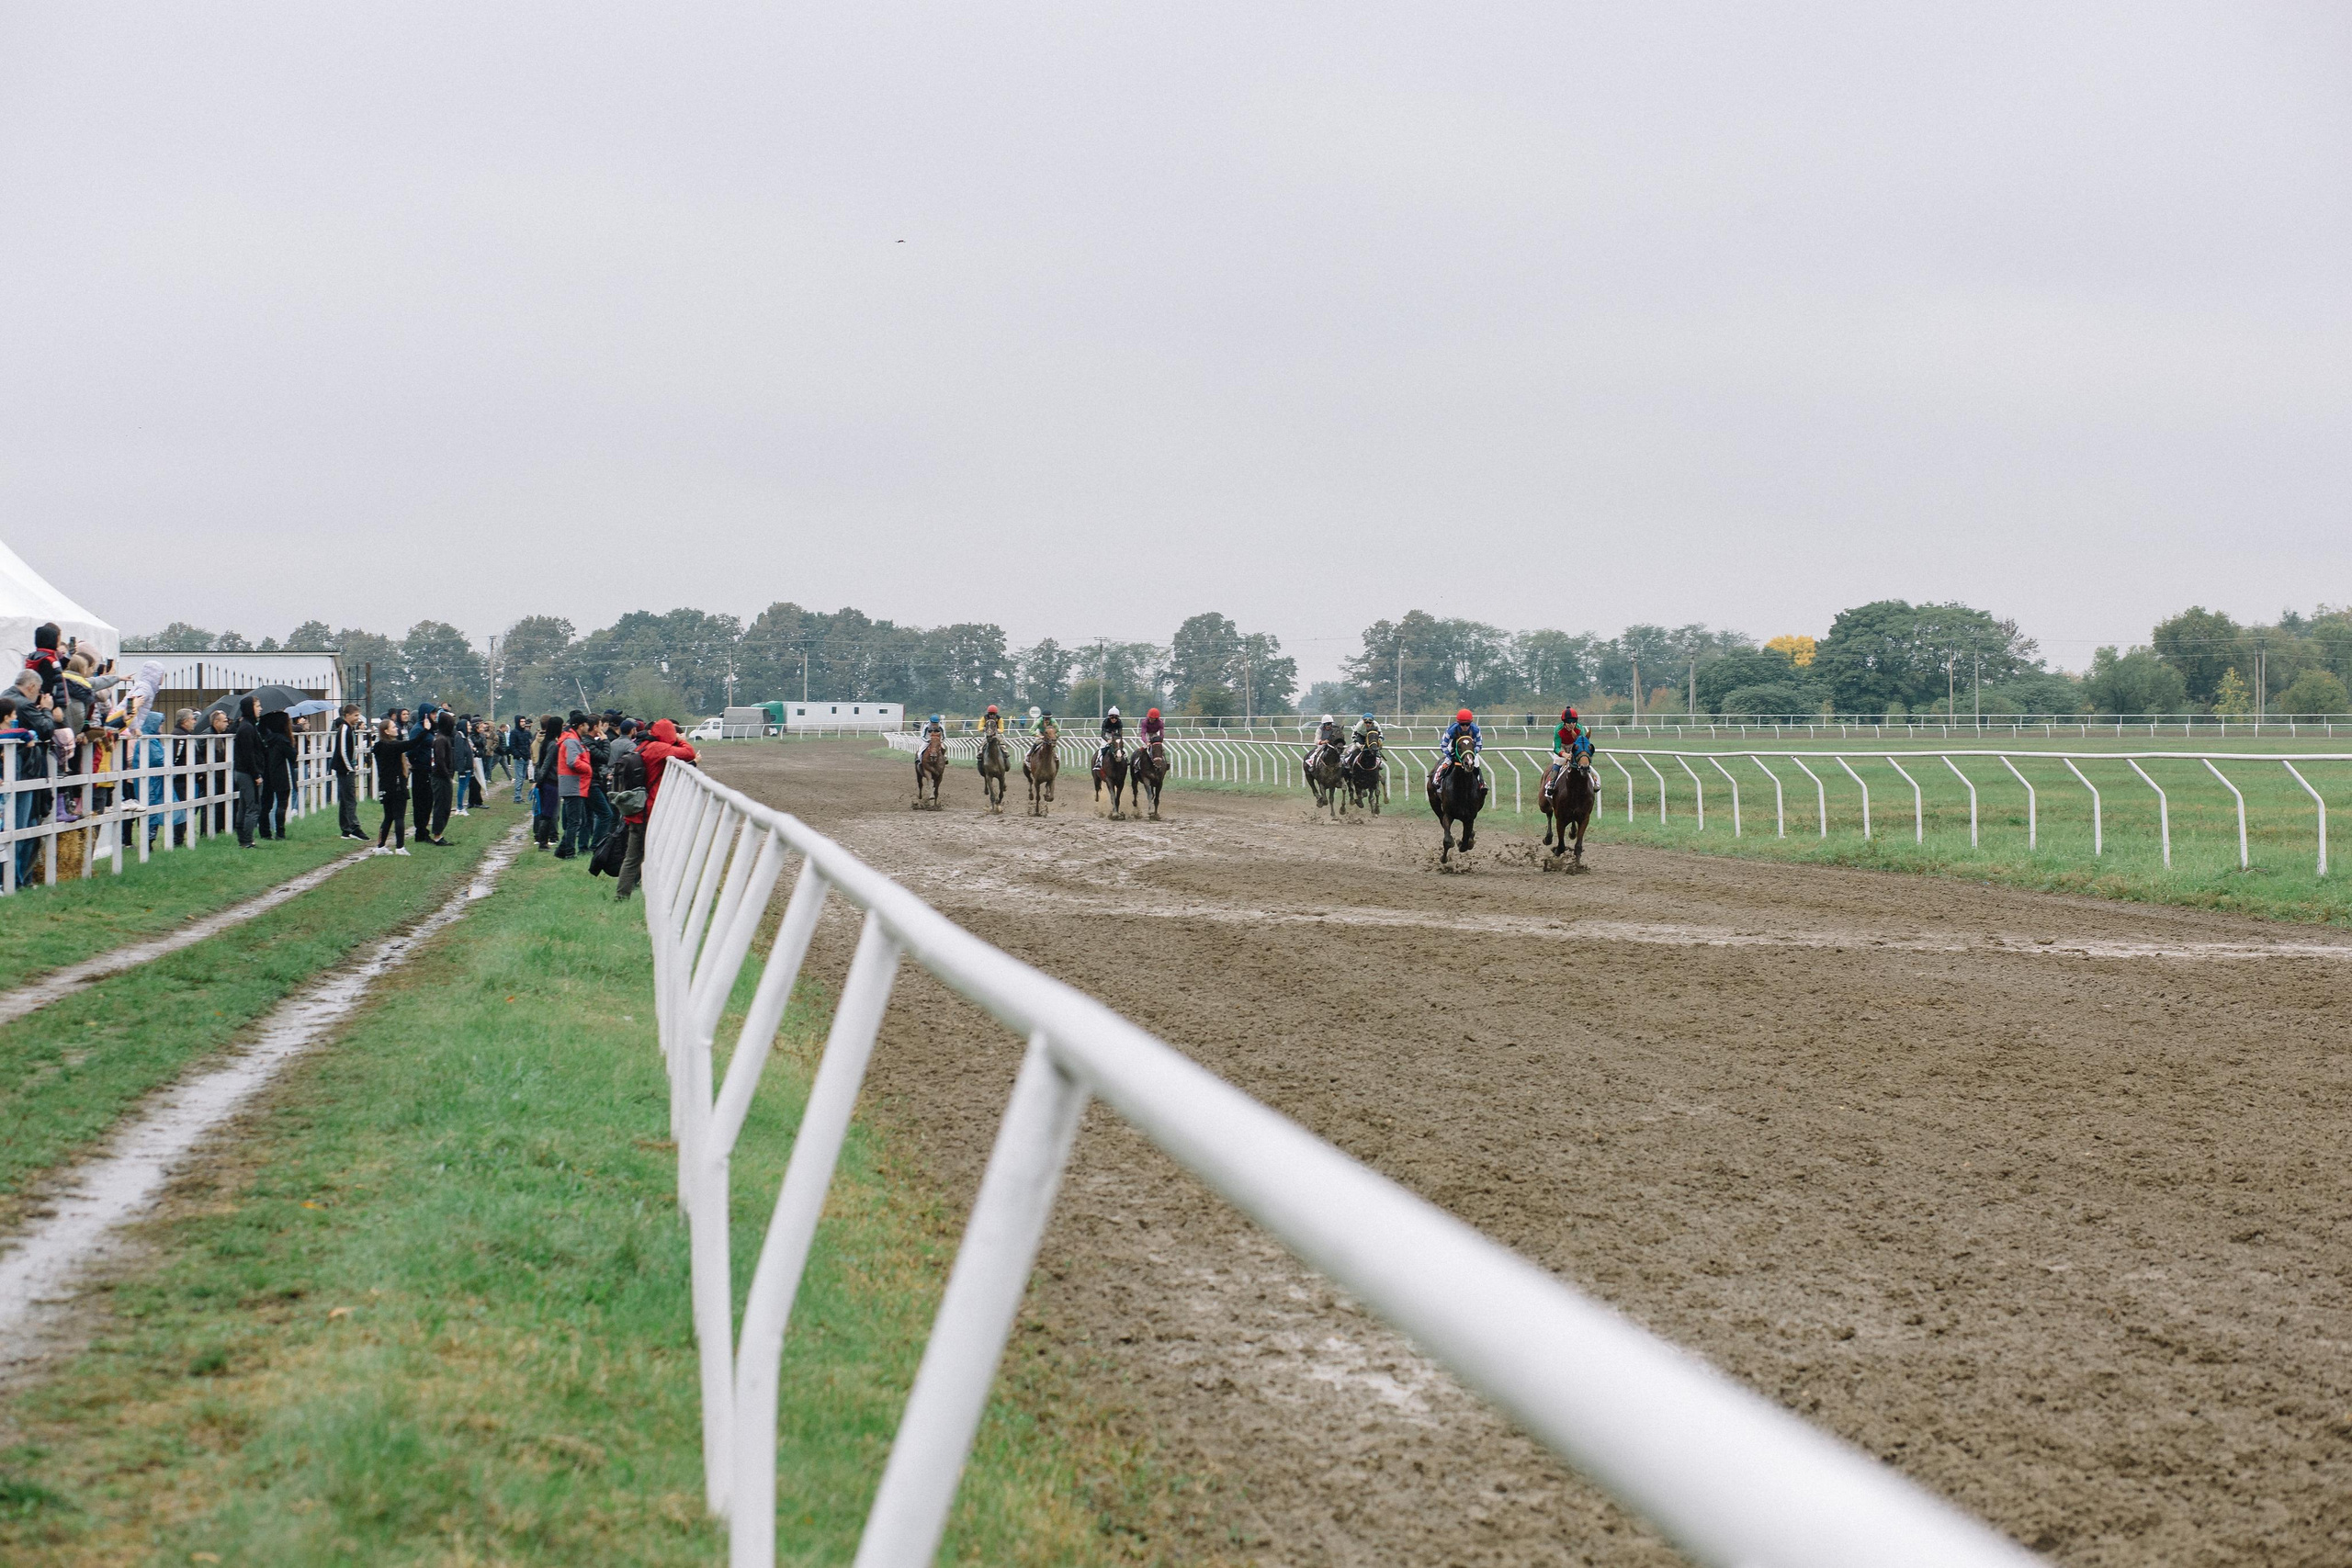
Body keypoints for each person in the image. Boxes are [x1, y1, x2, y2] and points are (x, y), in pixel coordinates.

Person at [617, 716, 697, 899]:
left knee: (632, 858)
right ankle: (662, 896)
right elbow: (689, 753)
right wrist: (680, 740)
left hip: (636, 810)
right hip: (651, 811)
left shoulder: (642, 745)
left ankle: (621, 895)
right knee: (659, 856)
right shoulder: (659, 748)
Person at [555, 711, 592, 859]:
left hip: (574, 784)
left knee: (577, 820)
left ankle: (561, 851)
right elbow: (573, 761)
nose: (588, 727)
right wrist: (588, 768)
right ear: (581, 725)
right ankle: (569, 853)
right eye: (587, 725)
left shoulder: (573, 739)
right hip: (573, 784)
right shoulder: (571, 741)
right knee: (574, 822)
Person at [371, 716, 411, 854]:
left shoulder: (379, 747)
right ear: (386, 731)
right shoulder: (392, 747)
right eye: (394, 727)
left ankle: (380, 846)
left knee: (388, 816)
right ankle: (400, 847)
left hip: (385, 786)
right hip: (397, 785)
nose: (397, 729)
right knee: (399, 816)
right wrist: (425, 730)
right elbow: (412, 743)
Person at [231, 695, 266, 848]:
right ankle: (247, 840)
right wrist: (256, 774)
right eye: (257, 706)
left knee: (244, 806)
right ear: (250, 709)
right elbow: (248, 754)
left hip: (243, 772)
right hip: (247, 773)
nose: (260, 709)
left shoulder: (247, 726)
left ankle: (243, 838)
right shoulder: (247, 728)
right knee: (252, 806)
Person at [329, 703, 367, 839]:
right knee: (351, 799)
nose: (358, 718)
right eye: (356, 715)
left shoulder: (349, 728)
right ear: (347, 715)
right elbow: (343, 751)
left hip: (346, 768)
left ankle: (345, 829)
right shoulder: (344, 729)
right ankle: (355, 828)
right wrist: (350, 768)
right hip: (345, 769)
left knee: (345, 800)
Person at [532, 715, 562, 849]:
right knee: (548, 812)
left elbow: (539, 764)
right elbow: (546, 764)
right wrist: (539, 781)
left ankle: (542, 839)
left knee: (545, 811)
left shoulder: (546, 743)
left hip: (546, 781)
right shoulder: (553, 745)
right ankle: (543, 842)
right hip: (550, 782)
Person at [1435, 706, 1481, 784]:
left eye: (1467, 724)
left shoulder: (1476, 730)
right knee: (1447, 763)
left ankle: (1481, 783)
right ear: (1458, 723)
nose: (1465, 727)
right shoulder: (1451, 730)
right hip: (1454, 747)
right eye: (1462, 724)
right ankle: (1437, 779)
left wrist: (1472, 753)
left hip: (1470, 749)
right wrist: (1450, 755)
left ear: (1471, 723)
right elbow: (1443, 745)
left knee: (1476, 764)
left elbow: (1479, 745)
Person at [449, 714, 476, 816]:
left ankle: (461, 806)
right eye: (468, 725)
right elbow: (459, 754)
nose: (470, 727)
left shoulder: (465, 737)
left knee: (464, 787)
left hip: (468, 767)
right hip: (463, 768)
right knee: (462, 787)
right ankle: (459, 808)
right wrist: (461, 769)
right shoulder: (459, 737)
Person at [508, 714, 534, 803]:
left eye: (524, 721)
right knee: (519, 778)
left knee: (522, 778)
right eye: (521, 721)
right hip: (519, 758)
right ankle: (517, 797)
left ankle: (519, 796)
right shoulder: (514, 733)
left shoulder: (527, 733)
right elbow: (512, 746)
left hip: (526, 757)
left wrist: (529, 755)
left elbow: (529, 744)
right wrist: (518, 756)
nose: (523, 723)